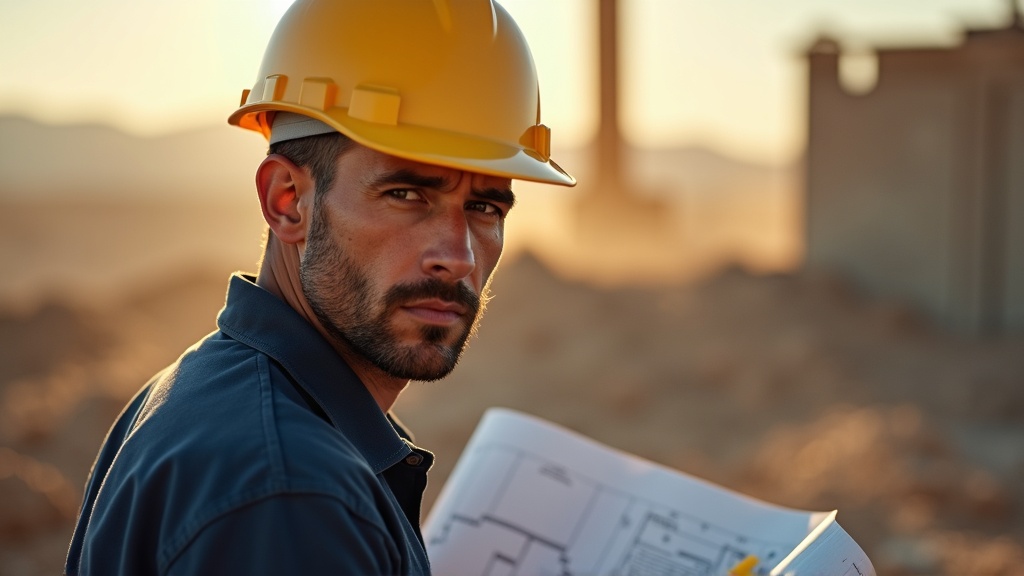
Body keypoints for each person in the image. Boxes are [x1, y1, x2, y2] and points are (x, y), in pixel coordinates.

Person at [64, 0, 574, 574]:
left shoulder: (212, 387)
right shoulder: (291, 496)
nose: (456, 258)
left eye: (484, 206)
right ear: (288, 201)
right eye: (406, 195)